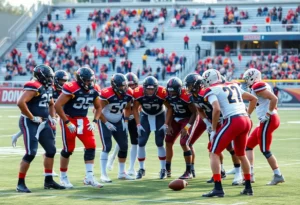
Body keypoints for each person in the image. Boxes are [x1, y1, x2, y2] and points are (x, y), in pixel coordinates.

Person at [201, 69, 257, 197]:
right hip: (245, 120)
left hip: (233, 120)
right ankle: (248, 187)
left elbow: (216, 109)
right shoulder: (233, 85)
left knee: (214, 152)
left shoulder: (212, 90)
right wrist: (248, 114)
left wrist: (214, 130)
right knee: (241, 154)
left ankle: (218, 188)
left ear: (209, 80)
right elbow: (253, 99)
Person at [16, 65, 65, 193]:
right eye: (49, 77)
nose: (51, 80)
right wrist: (32, 117)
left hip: (43, 123)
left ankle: (48, 181)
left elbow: (51, 104)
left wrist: (53, 117)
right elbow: (21, 102)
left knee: (51, 150)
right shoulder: (34, 86)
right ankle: (20, 183)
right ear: (41, 76)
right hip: (29, 122)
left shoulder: (47, 87)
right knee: (31, 152)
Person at [55, 67, 103, 189]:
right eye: (87, 81)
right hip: (69, 118)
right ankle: (63, 177)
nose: (89, 83)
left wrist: (95, 121)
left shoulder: (94, 89)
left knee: (91, 145)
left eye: (90, 80)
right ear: (80, 80)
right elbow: (57, 105)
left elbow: (98, 107)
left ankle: (89, 177)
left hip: (83, 119)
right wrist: (66, 122)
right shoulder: (72, 87)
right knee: (69, 149)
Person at [243, 68, 285, 185]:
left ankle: (278, 174)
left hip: (269, 119)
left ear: (253, 77)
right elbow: (256, 103)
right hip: (266, 119)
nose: (246, 81)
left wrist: (268, 113)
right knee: (248, 145)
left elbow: (274, 99)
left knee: (265, 149)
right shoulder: (257, 87)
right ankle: (249, 174)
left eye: (247, 79)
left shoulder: (258, 86)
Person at [98, 73, 135, 183]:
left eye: (125, 86)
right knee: (107, 146)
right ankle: (103, 174)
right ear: (114, 86)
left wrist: (126, 120)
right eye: (120, 86)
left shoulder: (129, 93)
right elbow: (97, 111)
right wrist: (106, 123)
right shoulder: (106, 94)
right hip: (105, 120)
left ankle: (121, 173)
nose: (123, 88)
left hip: (119, 120)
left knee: (124, 146)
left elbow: (128, 108)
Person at [132, 76, 170, 179]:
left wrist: (166, 123)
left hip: (159, 115)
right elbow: (135, 108)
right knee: (141, 142)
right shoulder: (138, 92)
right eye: (147, 89)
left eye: (152, 89)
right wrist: (138, 124)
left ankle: (163, 169)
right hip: (145, 115)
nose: (149, 91)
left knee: (159, 142)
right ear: (144, 88)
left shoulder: (162, 92)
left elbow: (169, 108)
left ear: (156, 88)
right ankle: (141, 169)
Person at [106, 73, 139, 176]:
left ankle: (131, 167)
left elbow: (138, 107)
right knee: (121, 141)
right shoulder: (123, 92)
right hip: (123, 117)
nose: (130, 87)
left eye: (132, 84)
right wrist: (125, 119)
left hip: (133, 118)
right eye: (128, 85)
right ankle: (112, 158)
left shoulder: (138, 92)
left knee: (135, 142)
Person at [165, 77, 197, 179]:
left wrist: (187, 127)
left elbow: (195, 113)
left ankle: (189, 171)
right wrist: (169, 125)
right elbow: (169, 109)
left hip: (188, 119)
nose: (171, 94)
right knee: (168, 140)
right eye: (170, 92)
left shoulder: (186, 96)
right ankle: (167, 169)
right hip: (175, 118)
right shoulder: (167, 95)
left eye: (174, 92)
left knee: (184, 143)